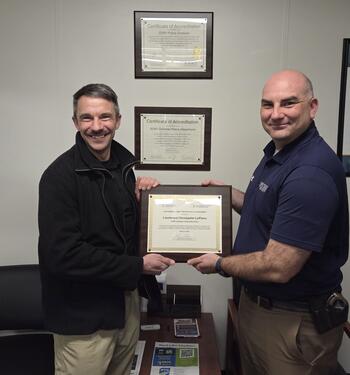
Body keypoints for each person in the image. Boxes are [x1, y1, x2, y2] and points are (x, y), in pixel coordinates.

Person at [188, 70, 349, 375]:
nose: (276, 115)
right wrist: (224, 196)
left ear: (312, 107)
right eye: (267, 105)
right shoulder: (282, 152)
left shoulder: (309, 173)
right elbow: (268, 209)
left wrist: (220, 264)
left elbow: (279, 266)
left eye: (288, 103)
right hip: (261, 311)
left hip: (291, 322)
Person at [38, 83, 175, 375]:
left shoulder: (122, 168)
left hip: (125, 306)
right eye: (87, 118)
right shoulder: (58, 177)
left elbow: (116, 234)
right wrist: (137, 265)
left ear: (118, 120)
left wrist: (144, 204)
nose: (97, 127)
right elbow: (62, 254)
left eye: (105, 117)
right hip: (83, 319)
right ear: (75, 122)